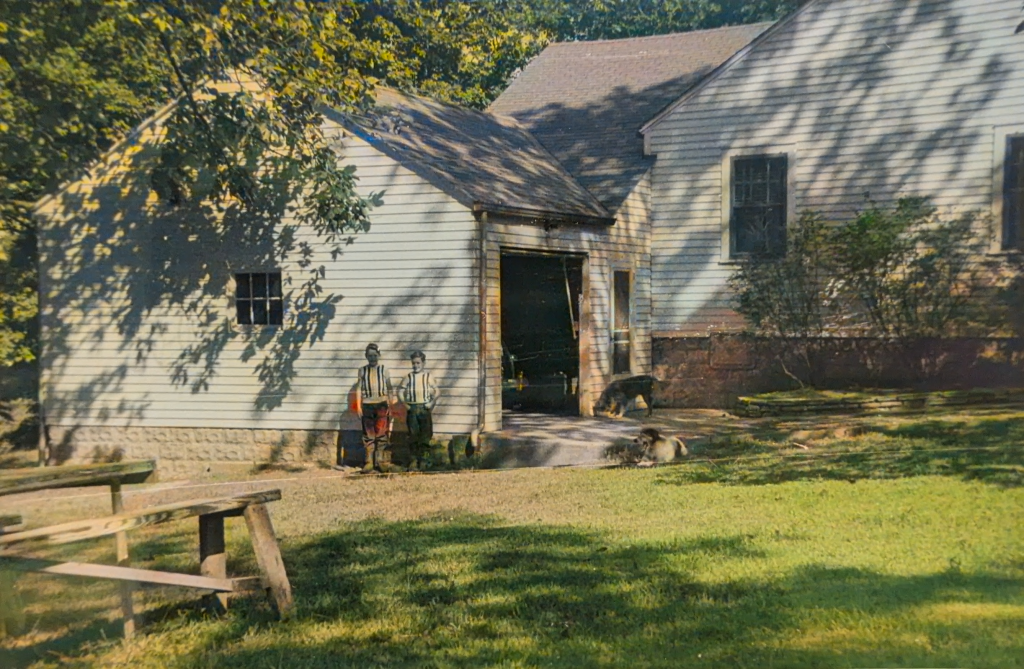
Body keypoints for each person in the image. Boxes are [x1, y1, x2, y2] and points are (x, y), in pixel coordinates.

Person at [398, 349, 440, 470]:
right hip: (412, 408)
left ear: (423, 363)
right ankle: (413, 460)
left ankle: (425, 460)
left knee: (425, 436)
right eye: (414, 363)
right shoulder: (408, 377)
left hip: (424, 409)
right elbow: (400, 391)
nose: (416, 365)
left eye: (418, 363)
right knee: (413, 435)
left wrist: (431, 403)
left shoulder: (428, 377)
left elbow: (437, 391)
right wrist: (405, 404)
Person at [356, 342, 394, 472]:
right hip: (367, 405)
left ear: (379, 355)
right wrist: (359, 407)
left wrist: (390, 405)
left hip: (381, 405)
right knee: (368, 435)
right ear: (366, 356)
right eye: (370, 355)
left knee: (381, 434)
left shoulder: (384, 369)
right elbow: (358, 389)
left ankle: (380, 461)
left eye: (375, 355)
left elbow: (389, 389)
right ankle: (369, 462)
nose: (372, 358)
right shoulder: (362, 370)